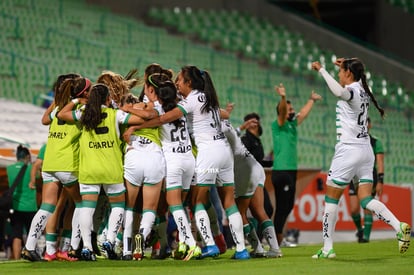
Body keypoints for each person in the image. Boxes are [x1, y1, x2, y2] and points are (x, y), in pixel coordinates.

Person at [131, 65, 249, 260]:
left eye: (181, 80)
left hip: (207, 153)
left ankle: (208, 245)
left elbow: (165, 118)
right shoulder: (209, 98)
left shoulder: (191, 100)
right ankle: (241, 249)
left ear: (189, 83)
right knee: (229, 201)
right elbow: (224, 115)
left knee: (197, 202)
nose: (178, 83)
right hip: (223, 152)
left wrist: (137, 127)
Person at [311, 57, 411, 258]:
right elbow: (348, 82)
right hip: (366, 151)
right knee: (366, 199)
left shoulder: (352, 90)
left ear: (349, 73)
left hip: (348, 150)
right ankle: (398, 226)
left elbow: (340, 92)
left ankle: (328, 248)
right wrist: (345, 65)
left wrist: (322, 70)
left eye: (341, 72)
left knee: (331, 199)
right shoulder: (363, 90)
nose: (339, 75)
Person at [57, 82, 145, 261]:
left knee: (86, 210)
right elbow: (141, 120)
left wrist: (76, 100)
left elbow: (61, 114)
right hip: (111, 170)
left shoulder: (83, 114)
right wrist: (128, 109)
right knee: (118, 207)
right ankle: (110, 240)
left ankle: (88, 248)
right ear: (108, 98)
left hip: (89, 170)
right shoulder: (115, 115)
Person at [21, 73, 86, 262]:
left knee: (47, 207)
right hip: (67, 164)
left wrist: (59, 99)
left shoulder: (57, 107)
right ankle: (72, 249)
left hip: (49, 163)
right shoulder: (80, 107)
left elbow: (44, 120)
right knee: (82, 204)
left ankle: (30, 247)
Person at [221, 119, 282, 258]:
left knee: (238, 213)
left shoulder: (210, 128)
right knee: (259, 211)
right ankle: (274, 249)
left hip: (244, 170)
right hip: (255, 167)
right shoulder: (225, 124)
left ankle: (257, 248)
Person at [271, 83, 322, 246]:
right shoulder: (278, 125)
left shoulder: (292, 125)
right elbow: (283, 111)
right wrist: (283, 98)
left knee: (287, 206)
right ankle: (276, 241)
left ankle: (278, 239)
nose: (292, 112)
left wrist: (311, 100)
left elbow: (304, 114)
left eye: (292, 110)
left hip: (290, 171)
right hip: (281, 171)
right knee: (282, 208)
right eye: (289, 110)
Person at [349, 117, 385, 243]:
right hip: (354, 175)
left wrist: (380, 181)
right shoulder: (353, 140)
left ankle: (365, 238)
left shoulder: (375, 142)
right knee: (353, 209)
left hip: (369, 175)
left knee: (366, 206)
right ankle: (360, 229)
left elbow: (380, 162)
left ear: (370, 125)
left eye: (366, 123)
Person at [6, 145, 37, 260]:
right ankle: (31, 254)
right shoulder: (31, 168)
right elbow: (38, 176)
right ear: (28, 156)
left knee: (16, 234)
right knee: (32, 233)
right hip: (31, 206)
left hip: (16, 206)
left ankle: (17, 258)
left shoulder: (9, 168)